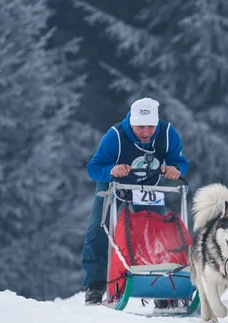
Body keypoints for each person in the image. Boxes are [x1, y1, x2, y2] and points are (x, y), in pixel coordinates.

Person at [81, 97, 189, 306]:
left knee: (159, 234)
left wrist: (176, 169)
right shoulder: (115, 136)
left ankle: (162, 287)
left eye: (150, 127)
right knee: (98, 230)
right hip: (114, 184)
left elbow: (180, 161)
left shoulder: (166, 133)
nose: (146, 132)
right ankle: (95, 285)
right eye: (141, 127)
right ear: (131, 122)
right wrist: (111, 170)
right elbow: (93, 168)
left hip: (148, 186)